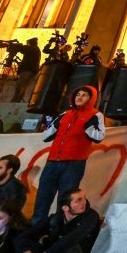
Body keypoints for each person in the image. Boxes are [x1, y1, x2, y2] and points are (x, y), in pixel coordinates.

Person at [32, 86, 106, 225]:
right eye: (78, 94)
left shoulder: (96, 115)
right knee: (43, 197)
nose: (80, 97)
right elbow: (45, 136)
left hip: (73, 164)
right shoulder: (64, 114)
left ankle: (59, 229)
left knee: (65, 200)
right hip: (53, 161)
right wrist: (55, 125)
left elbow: (99, 136)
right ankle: (35, 228)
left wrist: (88, 126)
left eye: (84, 95)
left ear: (92, 99)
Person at [11, 37, 42, 103]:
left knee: (20, 85)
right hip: (33, 70)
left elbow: (24, 49)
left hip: (27, 70)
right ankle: (18, 100)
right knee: (24, 86)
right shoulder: (36, 49)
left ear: (30, 43)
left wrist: (17, 45)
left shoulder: (33, 48)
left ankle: (15, 100)